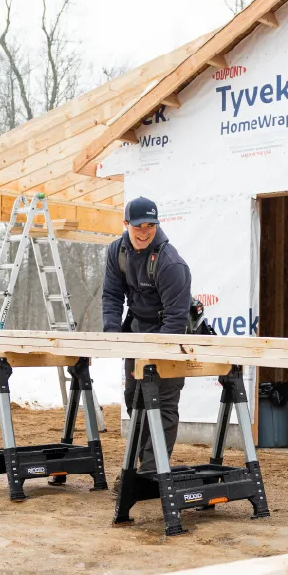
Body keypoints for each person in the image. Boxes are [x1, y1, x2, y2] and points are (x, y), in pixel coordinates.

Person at [102, 196, 192, 476]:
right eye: (138, 225)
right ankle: (143, 465)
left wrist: (159, 356)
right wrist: (113, 335)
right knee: (135, 398)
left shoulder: (170, 263)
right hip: (138, 332)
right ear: (126, 223)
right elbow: (112, 295)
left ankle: (152, 472)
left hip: (170, 332)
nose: (144, 231)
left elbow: (177, 316)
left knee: (163, 402)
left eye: (150, 225)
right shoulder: (117, 251)